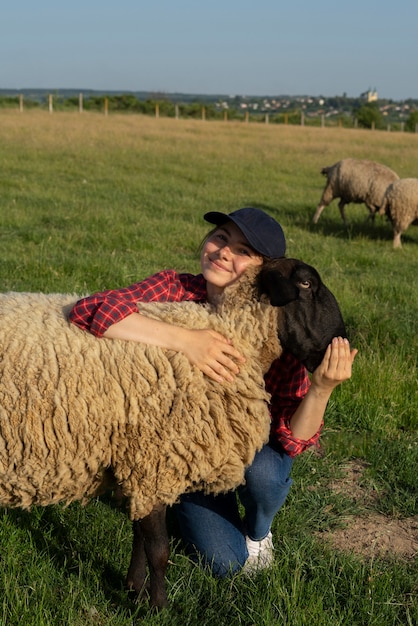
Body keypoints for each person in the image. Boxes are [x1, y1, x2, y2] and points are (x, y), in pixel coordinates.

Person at [69, 207, 357, 576]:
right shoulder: (177, 290)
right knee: (225, 564)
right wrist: (186, 339)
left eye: (242, 250)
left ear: (264, 270)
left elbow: (292, 440)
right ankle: (173, 496)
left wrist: (322, 388)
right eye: (220, 237)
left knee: (266, 474)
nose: (223, 252)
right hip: (180, 450)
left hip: (245, 449)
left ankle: (259, 532)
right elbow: (90, 308)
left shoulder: (279, 324)